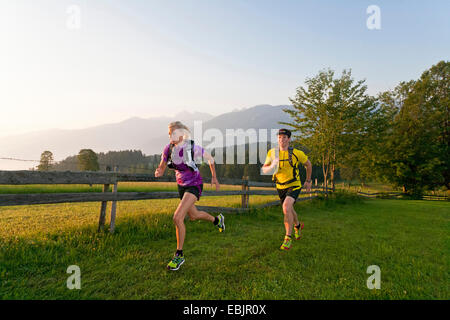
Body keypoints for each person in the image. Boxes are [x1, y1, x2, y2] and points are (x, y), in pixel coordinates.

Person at [155, 121, 225, 271]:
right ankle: (217, 220)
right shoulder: (169, 148)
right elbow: (162, 164)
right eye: (169, 134)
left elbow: (210, 159)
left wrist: (214, 177)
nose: (171, 137)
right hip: (181, 186)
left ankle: (179, 255)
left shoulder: (192, 148)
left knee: (177, 217)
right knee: (193, 215)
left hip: (194, 184)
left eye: (173, 133)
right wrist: (159, 171)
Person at [261, 128, 312, 251]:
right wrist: (272, 165)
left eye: (284, 138)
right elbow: (264, 170)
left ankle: (287, 238)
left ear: (289, 139)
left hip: (294, 184)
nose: (281, 140)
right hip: (280, 186)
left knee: (286, 207)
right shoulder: (272, 153)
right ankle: (297, 226)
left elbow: (308, 164)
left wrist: (308, 181)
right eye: (279, 137)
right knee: (289, 209)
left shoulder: (296, 153)